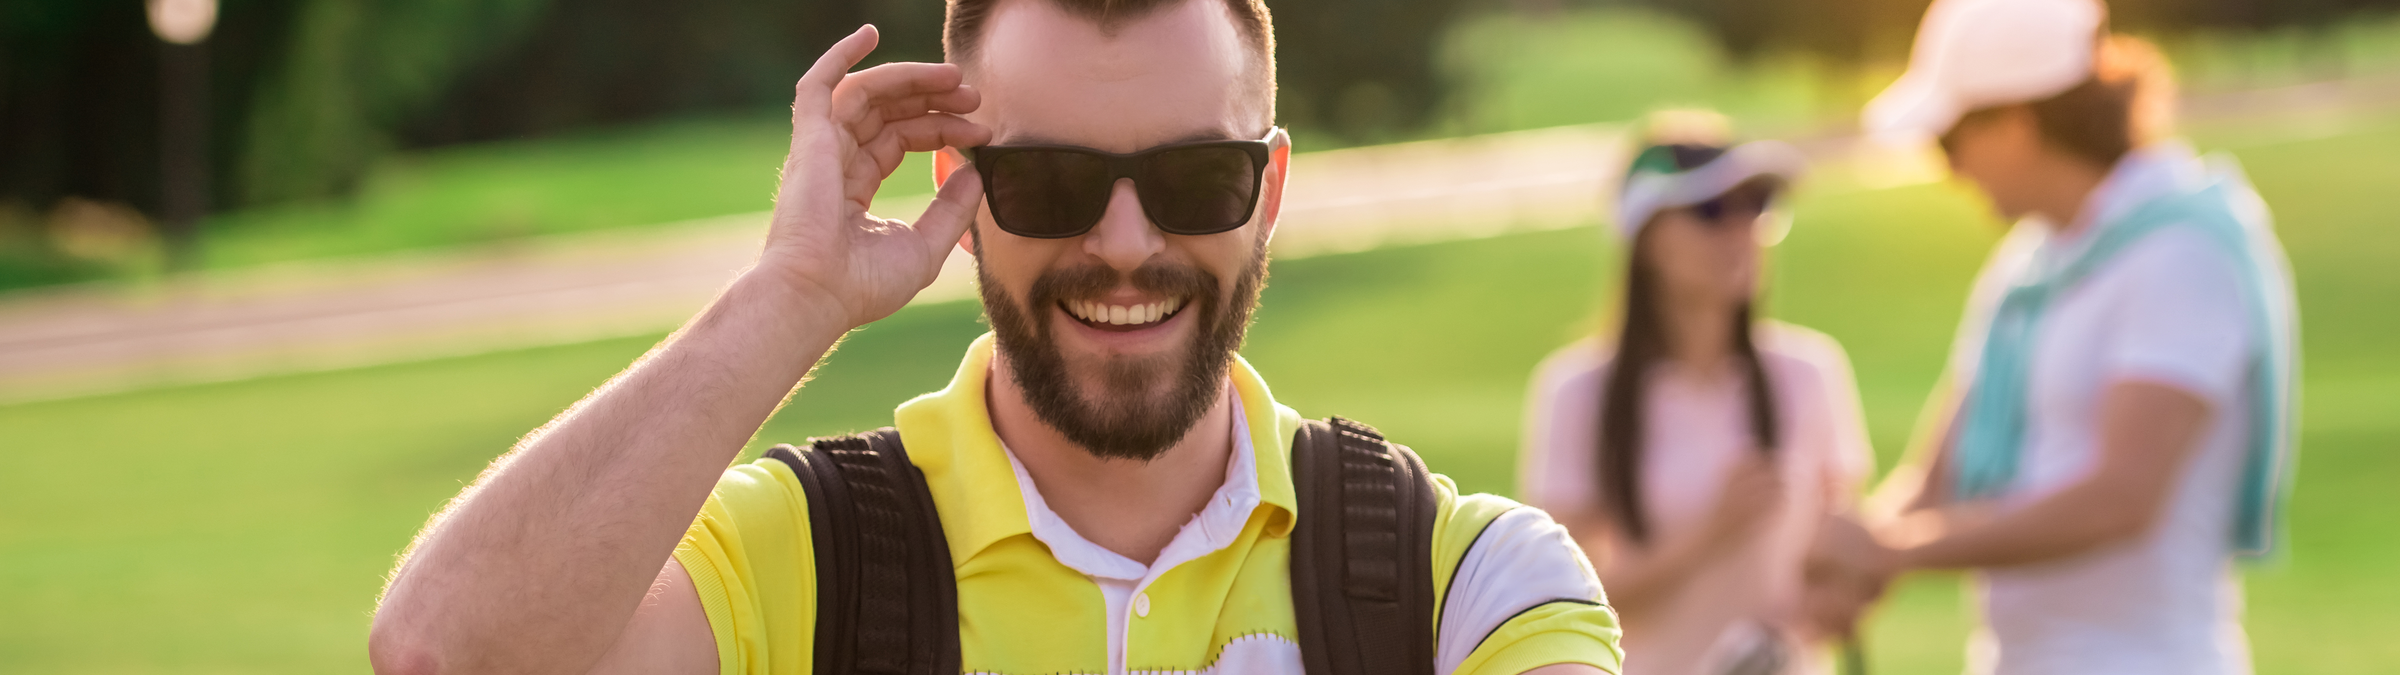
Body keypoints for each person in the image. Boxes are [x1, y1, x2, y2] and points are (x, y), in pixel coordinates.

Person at [365, 0, 1626, 673]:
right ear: (960, 191)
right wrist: (792, 295)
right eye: (1053, 183)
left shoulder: (1465, 584)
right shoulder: (800, 559)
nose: (1126, 244)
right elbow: (445, 653)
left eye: (1195, 179)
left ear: (1272, 192)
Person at [1853, 0, 2301, 673]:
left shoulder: (2181, 252)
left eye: (1949, 142)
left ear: (2015, 124)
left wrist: (1900, 552)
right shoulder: (2030, 266)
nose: (1948, 170)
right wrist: (1850, 555)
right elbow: (1935, 479)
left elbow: (2121, 495)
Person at [1518, 111, 1880, 675]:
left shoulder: (1809, 370)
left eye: (1755, 207)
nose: (1742, 232)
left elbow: (1840, 547)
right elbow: (1558, 598)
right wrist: (1711, 531)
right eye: (1711, 211)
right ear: (1647, 239)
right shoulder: (1579, 392)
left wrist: (1837, 592)